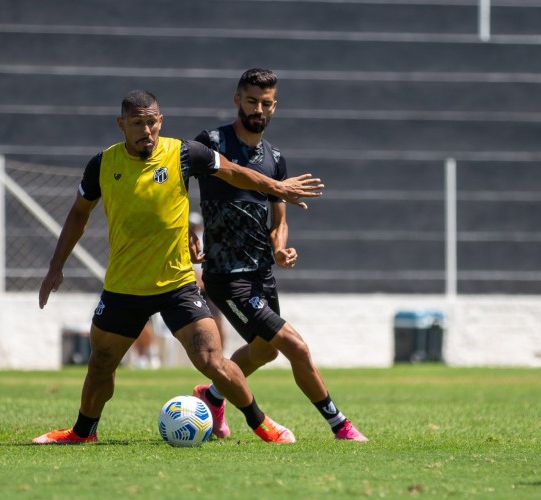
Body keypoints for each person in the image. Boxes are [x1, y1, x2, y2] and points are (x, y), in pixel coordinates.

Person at [32, 89, 323, 445]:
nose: (146, 131)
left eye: (152, 122)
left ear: (161, 121)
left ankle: (262, 424)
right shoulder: (102, 164)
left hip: (177, 285)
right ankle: (82, 432)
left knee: (212, 360)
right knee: (101, 362)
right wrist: (54, 267)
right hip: (125, 287)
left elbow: (234, 172)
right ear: (121, 124)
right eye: (137, 123)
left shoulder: (184, 152)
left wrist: (277, 186)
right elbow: (79, 214)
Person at [189, 68, 368, 442]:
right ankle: (340, 424)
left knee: (265, 351)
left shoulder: (275, 159)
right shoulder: (212, 141)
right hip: (227, 275)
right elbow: (177, 181)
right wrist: (186, 229)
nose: (259, 108)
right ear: (237, 100)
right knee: (295, 346)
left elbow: (278, 221)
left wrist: (280, 247)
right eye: (252, 100)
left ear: (275, 106)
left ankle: (214, 395)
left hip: (261, 274)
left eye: (266, 103)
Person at [189, 211, 226, 350]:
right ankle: (206, 351)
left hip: (208, 286)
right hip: (194, 286)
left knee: (216, 320)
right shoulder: (187, 240)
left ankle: (221, 351)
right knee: (199, 324)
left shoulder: (205, 240)